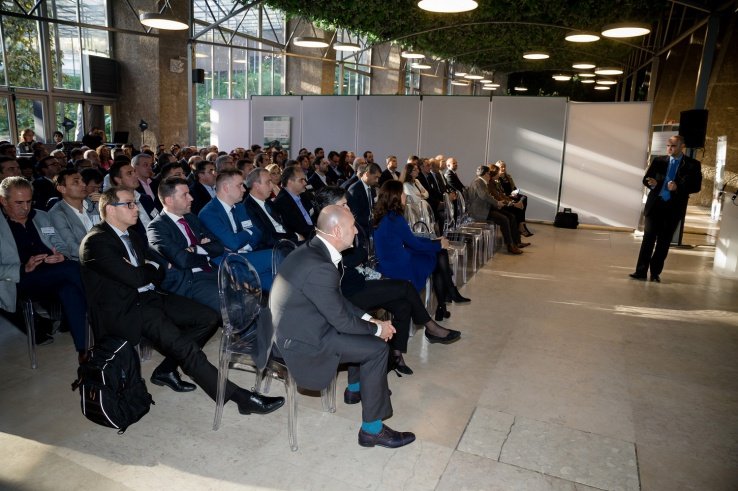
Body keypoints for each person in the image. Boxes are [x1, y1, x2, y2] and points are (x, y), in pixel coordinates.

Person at [79, 186, 284, 412]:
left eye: (135, 203)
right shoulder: (96, 242)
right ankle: (241, 399)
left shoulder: (132, 235)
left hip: (151, 296)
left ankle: (166, 369)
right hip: (126, 309)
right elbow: (141, 275)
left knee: (207, 317)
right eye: (129, 204)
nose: (136, 208)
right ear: (109, 209)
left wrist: (149, 269)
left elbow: (158, 270)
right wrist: (150, 268)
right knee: (186, 348)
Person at [271, 204, 416, 448]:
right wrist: (379, 330)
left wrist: (371, 320)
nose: (357, 232)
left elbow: (337, 302)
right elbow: (340, 320)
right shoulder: (320, 265)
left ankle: (357, 389)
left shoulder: (314, 250)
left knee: (366, 337)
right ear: (337, 231)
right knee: (377, 348)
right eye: (352, 227)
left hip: (304, 323)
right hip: (300, 340)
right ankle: (372, 429)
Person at [316, 186, 461, 375]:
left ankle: (396, 355)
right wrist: (357, 254)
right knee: (406, 287)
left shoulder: (342, 229)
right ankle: (430, 327)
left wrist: (357, 255)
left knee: (403, 305)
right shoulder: (323, 235)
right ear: (330, 208)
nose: (348, 209)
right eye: (343, 205)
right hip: (347, 294)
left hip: (358, 282)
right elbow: (352, 257)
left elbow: (357, 254)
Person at [0, 176, 88, 356]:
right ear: (3, 200)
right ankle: (107, 313)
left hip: (53, 272)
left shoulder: (40, 216)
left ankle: (84, 352)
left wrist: (60, 255)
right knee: (72, 269)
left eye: (29, 201)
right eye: (19, 203)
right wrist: (23, 267)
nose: (25, 208)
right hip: (18, 280)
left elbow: (59, 243)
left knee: (69, 289)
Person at [373, 180, 470, 321]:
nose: (406, 196)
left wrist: (436, 242)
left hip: (391, 260)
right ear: (395, 196)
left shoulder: (386, 216)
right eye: (403, 193)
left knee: (438, 254)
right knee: (439, 255)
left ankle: (444, 303)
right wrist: (438, 244)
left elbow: (410, 240)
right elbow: (415, 244)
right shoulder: (395, 219)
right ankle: (447, 296)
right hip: (398, 266)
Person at [630, 135, 702, 282]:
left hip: (673, 208)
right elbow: (646, 179)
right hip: (655, 205)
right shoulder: (658, 161)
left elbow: (696, 186)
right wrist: (653, 183)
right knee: (648, 239)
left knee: (663, 242)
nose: (669, 148)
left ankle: (655, 273)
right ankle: (640, 272)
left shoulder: (692, 164)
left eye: (673, 146)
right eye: (668, 145)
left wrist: (678, 187)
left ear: (682, 146)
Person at [146, 177, 222, 314]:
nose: (191, 198)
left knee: (246, 291)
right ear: (169, 200)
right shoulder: (156, 228)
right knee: (228, 302)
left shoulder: (191, 218)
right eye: (185, 195)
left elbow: (218, 246)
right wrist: (206, 255)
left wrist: (195, 249)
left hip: (212, 271)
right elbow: (182, 260)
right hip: (190, 281)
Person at [198, 169, 274, 290]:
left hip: (247, 256)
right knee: (275, 256)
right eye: (240, 185)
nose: (244, 189)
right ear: (226, 188)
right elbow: (233, 243)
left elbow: (257, 233)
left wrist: (244, 241)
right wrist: (248, 233)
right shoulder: (208, 213)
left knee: (279, 282)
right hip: (229, 263)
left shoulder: (239, 207)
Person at [467, 165, 527, 255]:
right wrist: (497, 203)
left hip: (485, 209)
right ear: (484, 174)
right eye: (488, 174)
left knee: (510, 216)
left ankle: (514, 243)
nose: (490, 176)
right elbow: (484, 196)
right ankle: (510, 245)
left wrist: (497, 204)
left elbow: (487, 198)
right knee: (504, 219)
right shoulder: (478, 182)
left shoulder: (482, 182)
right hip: (479, 212)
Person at [48, 169, 100, 260]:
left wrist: (105, 208)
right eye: (76, 182)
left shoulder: (95, 203)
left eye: (83, 181)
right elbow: (72, 247)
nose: (84, 185)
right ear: (62, 189)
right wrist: (101, 255)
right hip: (85, 261)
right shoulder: (57, 213)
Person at [243, 168, 300, 248]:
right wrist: (295, 237)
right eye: (268, 182)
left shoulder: (269, 203)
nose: (272, 186)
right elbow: (266, 237)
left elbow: (284, 224)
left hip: (288, 240)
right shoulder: (247, 208)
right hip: (274, 248)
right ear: (256, 186)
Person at [271, 166, 314, 240]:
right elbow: (294, 229)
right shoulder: (281, 202)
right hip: (302, 240)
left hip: (312, 234)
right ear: (289, 182)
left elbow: (313, 215)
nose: (305, 183)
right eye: (301, 180)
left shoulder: (304, 195)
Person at [494, 160, 532, 237]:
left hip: (512, 195)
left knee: (524, 198)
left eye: (504, 166)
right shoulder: (496, 179)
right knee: (520, 204)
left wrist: (515, 192)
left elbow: (514, 188)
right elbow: (499, 193)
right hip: (506, 197)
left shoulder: (508, 177)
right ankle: (521, 224)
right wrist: (509, 196)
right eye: (502, 167)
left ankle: (521, 223)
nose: (504, 168)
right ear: (497, 168)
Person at [346, 162, 381, 241]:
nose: (377, 180)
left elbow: (373, 208)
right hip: (360, 233)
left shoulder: (371, 189)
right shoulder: (354, 190)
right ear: (367, 174)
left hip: (371, 229)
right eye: (375, 177)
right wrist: (373, 222)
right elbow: (355, 217)